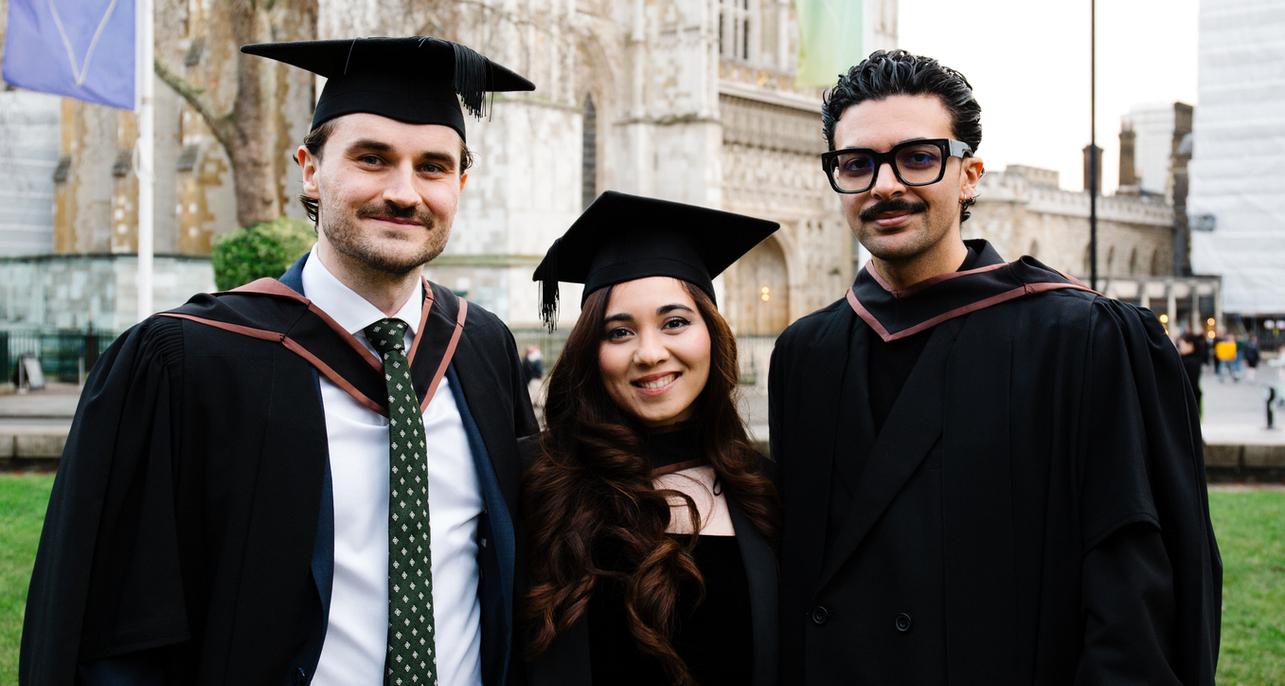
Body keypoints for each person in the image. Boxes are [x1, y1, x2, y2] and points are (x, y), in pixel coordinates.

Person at [22, 37, 538, 685]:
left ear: (460, 183)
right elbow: (119, 629)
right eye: (371, 158)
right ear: (310, 169)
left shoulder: (481, 348)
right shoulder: (186, 362)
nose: (405, 192)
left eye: (432, 166)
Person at [769, 50, 1222, 684]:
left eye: (919, 157)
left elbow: (1133, 600)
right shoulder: (806, 355)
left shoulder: (1082, 340)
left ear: (969, 174)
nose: (884, 185)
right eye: (857, 164)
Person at [520, 191, 781, 686]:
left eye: (675, 322)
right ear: (590, 351)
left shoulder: (764, 491)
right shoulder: (537, 481)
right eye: (619, 332)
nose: (649, 353)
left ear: (712, 332)